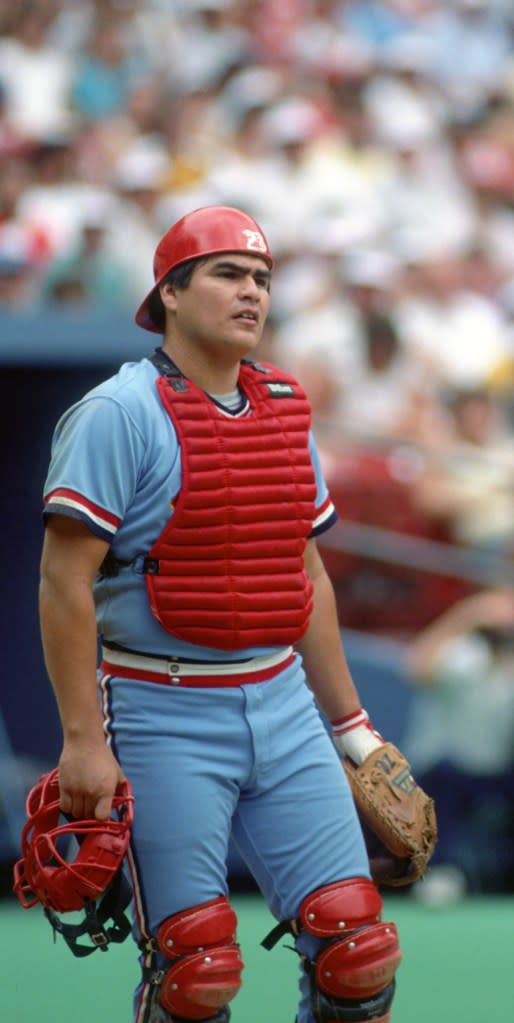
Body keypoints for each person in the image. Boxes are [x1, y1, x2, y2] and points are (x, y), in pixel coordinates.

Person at [39, 205, 403, 1023]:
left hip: (282, 700)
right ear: (169, 292)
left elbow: (302, 568)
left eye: (262, 278)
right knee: (194, 968)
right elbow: (63, 580)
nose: (251, 292)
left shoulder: (283, 404)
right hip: (159, 703)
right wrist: (81, 741)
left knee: (357, 947)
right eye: (228, 274)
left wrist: (353, 727)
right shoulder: (117, 412)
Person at [404, 586, 514, 902]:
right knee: (443, 779)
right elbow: (417, 668)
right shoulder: (461, 653)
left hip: (497, 772)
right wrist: (467, 614)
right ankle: (440, 872)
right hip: (445, 770)